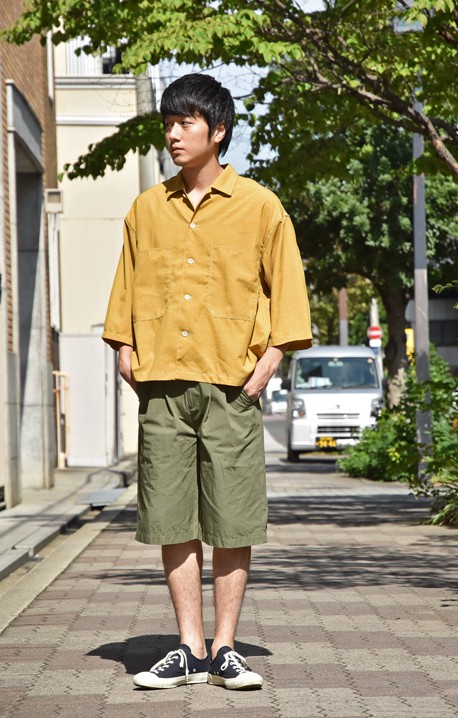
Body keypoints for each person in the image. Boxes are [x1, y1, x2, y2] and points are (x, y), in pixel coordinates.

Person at [102, 73, 312, 691]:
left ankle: (226, 649)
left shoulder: (261, 207)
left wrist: (270, 360)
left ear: (217, 131)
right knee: (172, 518)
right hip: (163, 386)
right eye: (168, 123)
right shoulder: (146, 208)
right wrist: (125, 350)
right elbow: (125, 288)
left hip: (231, 385)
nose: (172, 134)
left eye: (184, 123)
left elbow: (288, 292)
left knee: (232, 519)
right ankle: (188, 648)